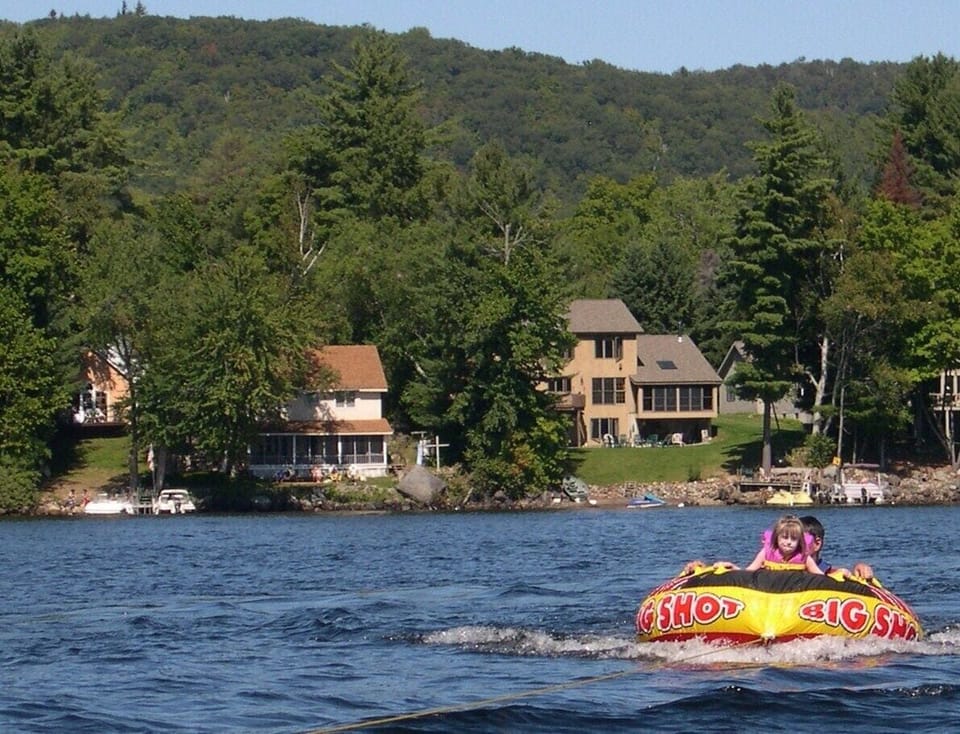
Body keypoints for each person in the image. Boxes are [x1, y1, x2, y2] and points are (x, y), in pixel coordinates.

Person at [799, 515, 874, 579]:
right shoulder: (792, 573)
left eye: (800, 541)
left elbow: (846, 574)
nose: (794, 545)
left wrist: (860, 568)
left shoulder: (832, 573)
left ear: (817, 544)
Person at [745, 514, 823, 574]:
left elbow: (820, 575)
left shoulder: (804, 557)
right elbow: (749, 571)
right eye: (785, 537)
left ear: (799, 541)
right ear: (776, 537)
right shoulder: (765, 553)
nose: (789, 542)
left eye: (794, 539)